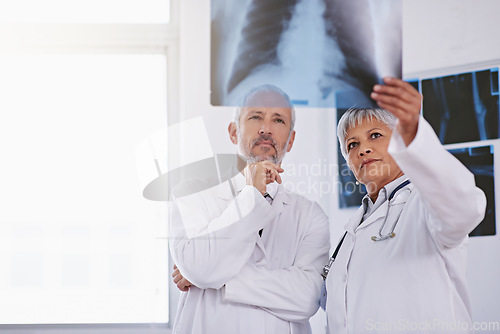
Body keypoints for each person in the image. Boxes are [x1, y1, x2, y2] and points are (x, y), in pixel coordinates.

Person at [325, 77, 487, 333]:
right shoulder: (351, 232)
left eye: (375, 135)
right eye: (352, 144)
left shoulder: (425, 205)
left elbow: (465, 208)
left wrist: (414, 133)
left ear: (401, 140)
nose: (363, 149)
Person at [169, 84, 330, 334]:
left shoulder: (311, 215)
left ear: (291, 139)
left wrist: (214, 279)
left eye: (278, 119)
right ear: (234, 132)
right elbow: (199, 267)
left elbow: (308, 298)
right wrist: (251, 195)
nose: (266, 128)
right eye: (255, 116)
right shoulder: (191, 193)